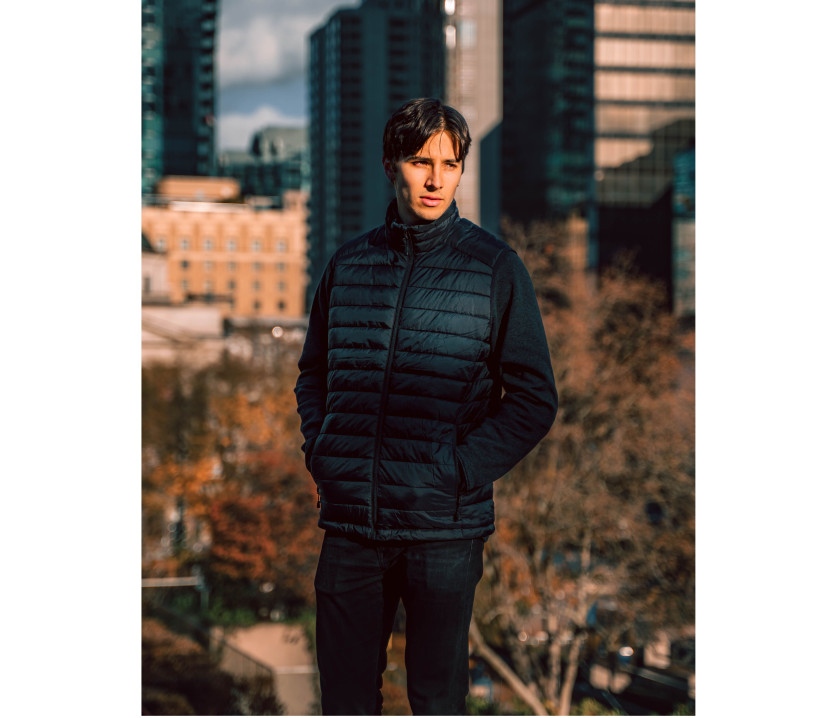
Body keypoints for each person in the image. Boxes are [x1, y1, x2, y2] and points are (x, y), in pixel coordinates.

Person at [295, 97, 558, 715]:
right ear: (391, 165)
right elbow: (314, 373)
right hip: (351, 526)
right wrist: (323, 451)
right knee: (344, 701)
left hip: (443, 530)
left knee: (437, 701)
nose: (437, 179)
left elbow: (534, 399)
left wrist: (457, 471)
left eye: (450, 164)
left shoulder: (495, 269)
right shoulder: (348, 265)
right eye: (421, 162)